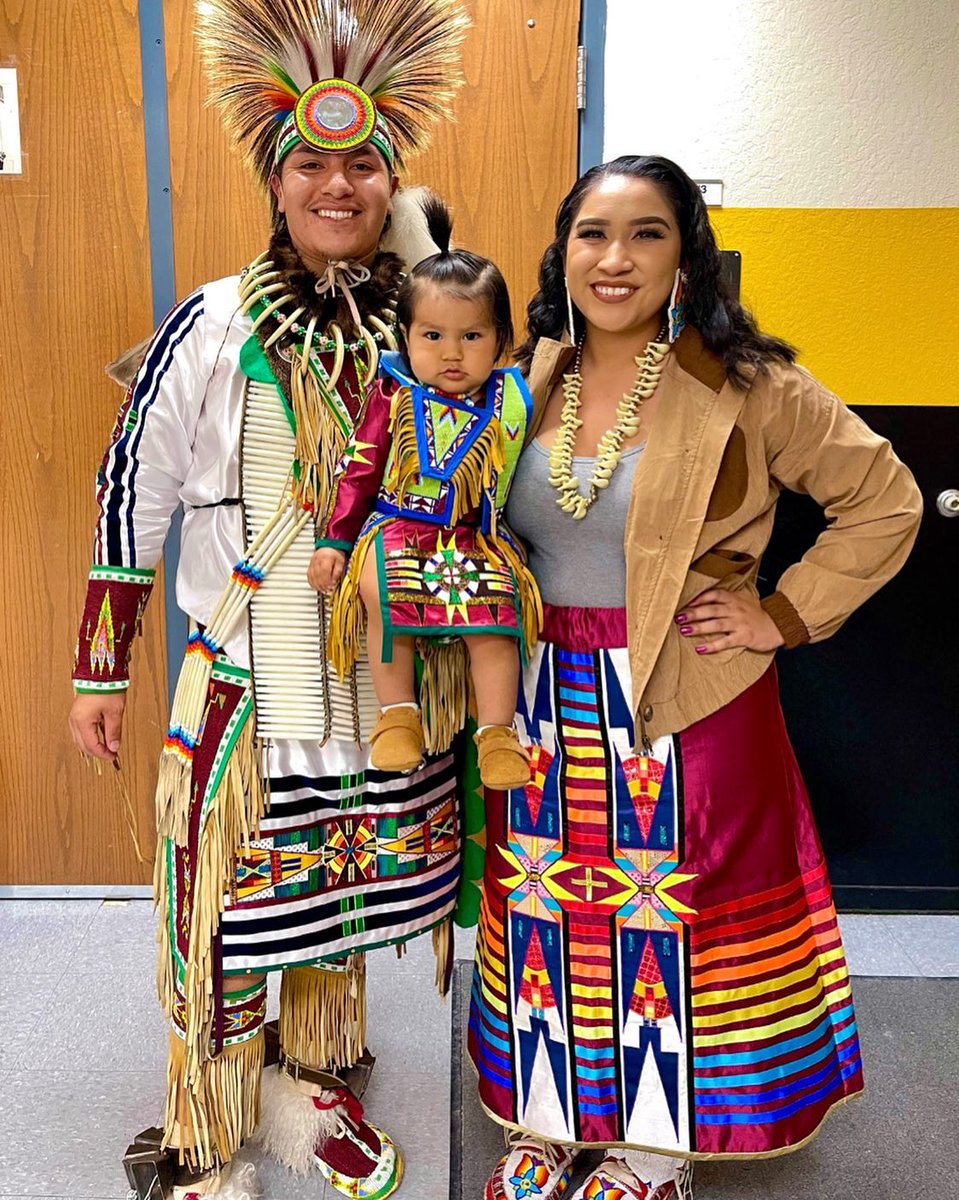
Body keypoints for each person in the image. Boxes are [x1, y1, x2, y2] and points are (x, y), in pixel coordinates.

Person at [68, 1, 469, 1196]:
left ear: (392, 176)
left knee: (347, 891)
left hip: (384, 672)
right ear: (273, 179)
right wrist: (102, 669)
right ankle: (203, 1123)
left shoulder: (430, 318)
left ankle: (315, 1078)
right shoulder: (215, 319)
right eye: (310, 162)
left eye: (362, 163)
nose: (336, 183)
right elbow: (131, 493)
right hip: (248, 673)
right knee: (225, 905)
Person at [470, 155, 922, 1200]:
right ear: (561, 250)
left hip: (686, 695)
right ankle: (545, 1120)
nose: (612, 258)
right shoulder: (528, 370)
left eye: (644, 234)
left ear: (686, 256)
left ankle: (653, 1145)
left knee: (668, 910)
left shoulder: (744, 382)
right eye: (590, 233)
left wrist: (778, 614)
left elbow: (884, 498)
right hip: (539, 694)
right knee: (545, 902)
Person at [309, 202, 541, 791]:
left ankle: (496, 732)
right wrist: (337, 538)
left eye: (472, 336)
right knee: (382, 598)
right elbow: (360, 467)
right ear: (406, 338)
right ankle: (398, 718)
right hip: (398, 528)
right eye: (432, 336)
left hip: (471, 538)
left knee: (495, 616)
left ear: (501, 341)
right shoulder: (394, 398)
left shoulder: (510, 403)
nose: (452, 352)